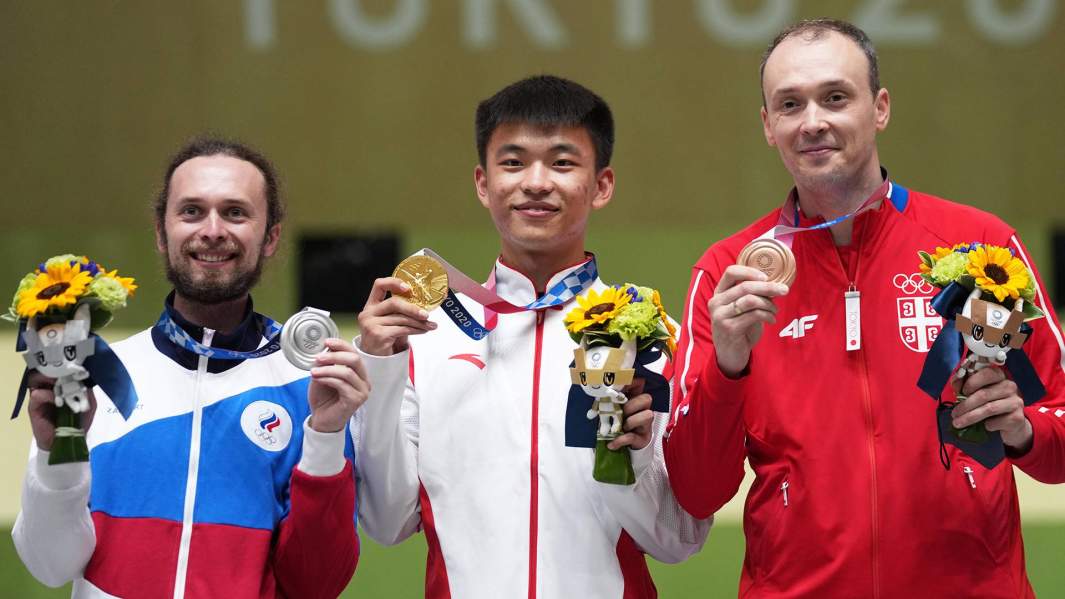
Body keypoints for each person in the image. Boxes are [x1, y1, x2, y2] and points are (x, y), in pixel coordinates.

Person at [664, 18, 1065, 598]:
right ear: (769, 127)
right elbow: (696, 492)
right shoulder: (729, 274)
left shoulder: (982, 247)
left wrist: (1023, 431)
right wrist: (728, 366)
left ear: (879, 108)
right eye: (790, 105)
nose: (814, 122)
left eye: (835, 97)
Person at [354, 75, 710, 598]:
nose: (536, 182)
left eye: (563, 163)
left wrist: (628, 455)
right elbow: (385, 523)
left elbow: (677, 540)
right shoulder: (425, 334)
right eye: (514, 162)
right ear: (483, 182)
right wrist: (380, 368)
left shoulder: (649, 335)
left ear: (602, 184)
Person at [13, 138, 367, 599]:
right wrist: (54, 453)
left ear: (271, 237)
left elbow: (316, 584)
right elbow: (50, 565)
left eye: (236, 213)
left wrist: (325, 434)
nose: (213, 230)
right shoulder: (98, 378)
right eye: (192, 211)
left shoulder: (313, 390)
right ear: (162, 233)